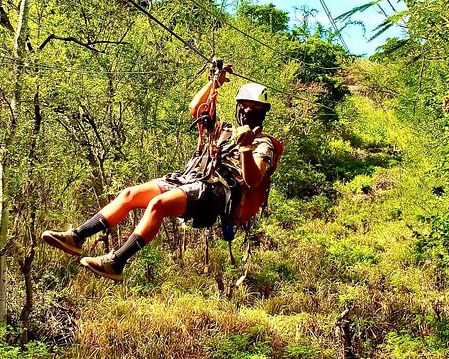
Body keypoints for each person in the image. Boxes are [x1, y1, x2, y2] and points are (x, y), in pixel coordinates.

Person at [41, 68, 276, 281]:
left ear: (263, 112)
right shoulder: (224, 130)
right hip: (190, 178)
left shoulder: (263, 144)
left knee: (158, 204)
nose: (248, 111)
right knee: (129, 194)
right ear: (237, 107)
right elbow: (196, 108)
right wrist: (214, 83)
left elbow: (253, 181)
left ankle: (116, 262)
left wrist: (245, 148)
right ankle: (77, 237)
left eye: (255, 108)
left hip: (215, 193)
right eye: (244, 105)